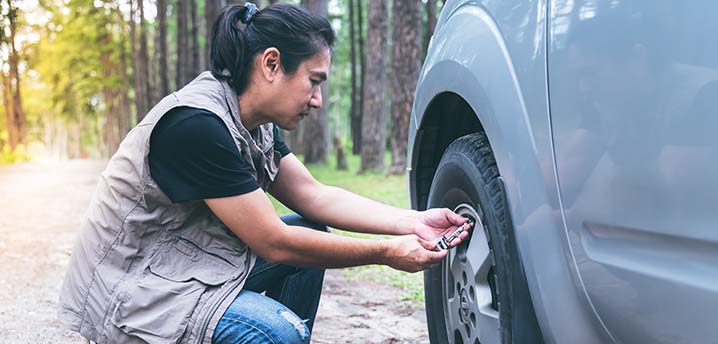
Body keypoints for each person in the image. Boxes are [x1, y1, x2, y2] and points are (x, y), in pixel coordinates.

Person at [58, 3, 472, 344]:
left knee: (313, 228)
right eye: (313, 81)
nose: (318, 100)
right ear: (271, 63)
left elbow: (314, 196)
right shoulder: (196, 125)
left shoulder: (253, 121)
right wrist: (386, 253)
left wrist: (412, 222)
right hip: (136, 293)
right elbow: (274, 242)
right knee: (276, 331)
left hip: (183, 264)